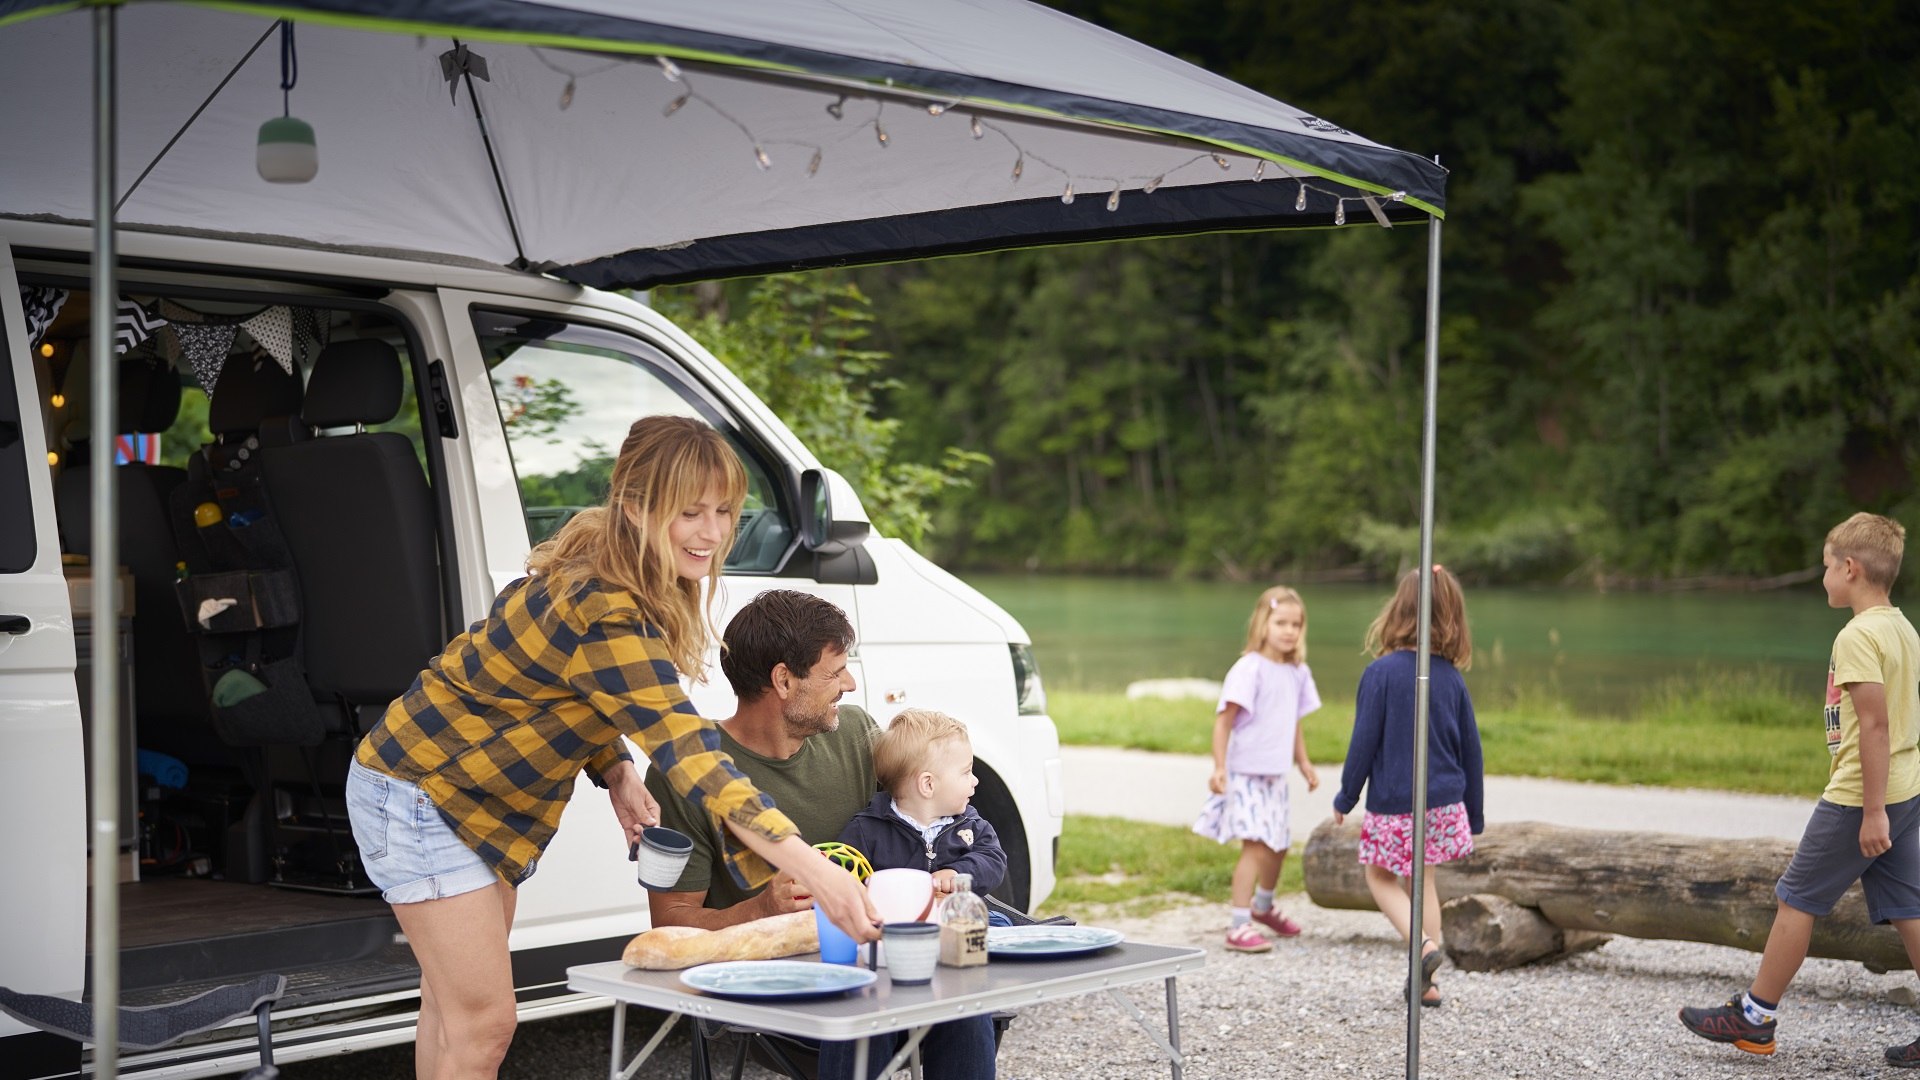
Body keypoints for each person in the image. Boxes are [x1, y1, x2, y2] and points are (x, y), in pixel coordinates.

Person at [345, 416, 878, 1080]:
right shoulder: (605, 602)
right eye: (690, 512)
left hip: (475, 797)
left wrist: (616, 766)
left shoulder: (618, 560)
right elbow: (692, 756)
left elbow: (550, 685)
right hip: (427, 791)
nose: (711, 533)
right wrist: (819, 870)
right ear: (635, 506)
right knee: (483, 1025)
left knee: (453, 1017)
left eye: (722, 511)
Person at [649, 603, 1002, 1080]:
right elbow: (668, 925)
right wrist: (762, 908)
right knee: (867, 1006)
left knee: (961, 1000)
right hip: (779, 985)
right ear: (784, 681)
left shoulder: (855, 733)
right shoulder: (682, 775)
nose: (850, 685)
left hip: (880, 965)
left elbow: (932, 813)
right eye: (835, 672)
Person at [1681, 513, 1920, 1065]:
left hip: (1864, 794)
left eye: (1827, 568)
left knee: (1797, 898)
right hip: (1905, 786)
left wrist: (1873, 812)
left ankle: (1755, 1016)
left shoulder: (1858, 635)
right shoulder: (1902, 627)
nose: (1823, 578)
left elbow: (1877, 726)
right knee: (1909, 906)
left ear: (1852, 569)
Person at [821, 707, 1006, 1079]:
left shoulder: (971, 826)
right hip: (889, 951)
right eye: (966, 771)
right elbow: (844, 878)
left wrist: (959, 872)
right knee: (861, 1007)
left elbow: (994, 860)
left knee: (990, 942)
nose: (975, 782)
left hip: (953, 942)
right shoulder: (867, 829)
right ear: (928, 784)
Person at [1331, 565, 1483, 1007]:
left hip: (1395, 803)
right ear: (1451, 617)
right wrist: (1473, 813)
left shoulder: (1380, 674)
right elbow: (1471, 751)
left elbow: (1363, 743)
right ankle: (1428, 986)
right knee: (1425, 884)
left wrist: (1346, 796)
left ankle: (1422, 948)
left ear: (1399, 610)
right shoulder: (1452, 679)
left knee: (1379, 877)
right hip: (1444, 803)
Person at [1193, 585, 1322, 954]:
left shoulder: (1297, 672)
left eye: (1296, 624)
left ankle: (1263, 906)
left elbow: (1294, 721)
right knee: (1256, 847)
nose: (1289, 631)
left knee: (1279, 846)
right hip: (1245, 774)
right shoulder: (1249, 669)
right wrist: (1219, 766)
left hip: (1275, 776)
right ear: (1263, 624)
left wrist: (1304, 761)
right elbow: (1224, 722)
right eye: (1281, 622)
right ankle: (1238, 924)